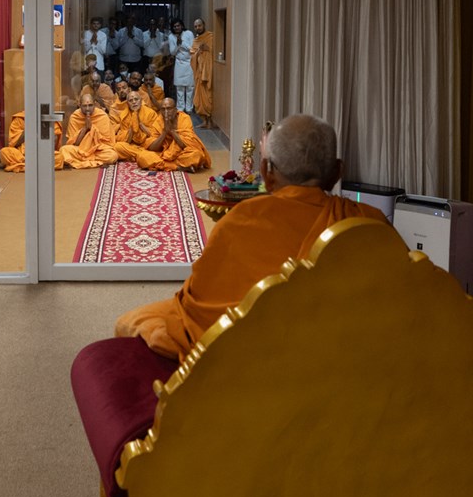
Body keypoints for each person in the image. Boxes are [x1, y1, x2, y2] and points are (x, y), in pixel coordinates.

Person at [115, 113, 389, 361]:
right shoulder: (370, 223)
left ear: (267, 173)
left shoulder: (241, 220)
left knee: (133, 321)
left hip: (251, 358)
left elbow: (196, 306)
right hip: (335, 353)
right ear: (337, 172)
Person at [135, 98, 211, 172]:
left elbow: (186, 145)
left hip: (181, 153)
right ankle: (178, 167)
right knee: (142, 157)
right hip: (163, 154)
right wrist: (164, 132)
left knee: (196, 155)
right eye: (163, 109)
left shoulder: (184, 118)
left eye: (169, 109)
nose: (166, 112)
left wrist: (172, 131)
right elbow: (152, 147)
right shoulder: (158, 121)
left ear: (175, 110)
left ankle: (166, 165)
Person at [60, 91, 118, 169]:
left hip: (97, 151)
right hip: (80, 150)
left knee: (112, 155)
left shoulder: (102, 116)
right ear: (79, 105)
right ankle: (94, 162)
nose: (87, 109)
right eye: (85, 106)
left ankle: (81, 161)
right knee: (63, 150)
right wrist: (85, 128)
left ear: (94, 104)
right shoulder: (75, 117)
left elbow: (106, 142)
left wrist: (92, 129)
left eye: (90, 105)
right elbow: (74, 144)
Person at [113, 90, 160, 162]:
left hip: (146, 143)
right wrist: (133, 125)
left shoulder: (150, 113)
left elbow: (154, 134)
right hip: (132, 145)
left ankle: (137, 156)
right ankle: (143, 155)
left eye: (136, 99)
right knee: (117, 147)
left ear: (141, 100)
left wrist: (140, 124)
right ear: (127, 103)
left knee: (155, 142)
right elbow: (127, 141)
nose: (134, 102)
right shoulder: (124, 115)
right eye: (130, 100)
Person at [191, 17, 214, 129]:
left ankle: (210, 121)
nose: (198, 28)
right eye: (195, 26)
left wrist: (208, 49)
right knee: (199, 98)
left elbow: (216, 51)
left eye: (199, 25)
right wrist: (198, 52)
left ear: (204, 25)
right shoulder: (195, 41)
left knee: (208, 97)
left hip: (209, 73)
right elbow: (192, 57)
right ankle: (204, 121)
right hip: (199, 74)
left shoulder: (211, 37)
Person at [168, 19, 195, 113]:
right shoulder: (171, 36)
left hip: (189, 62)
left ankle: (189, 108)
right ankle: (180, 108)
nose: (176, 28)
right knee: (179, 87)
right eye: (174, 26)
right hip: (179, 63)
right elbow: (172, 52)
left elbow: (192, 49)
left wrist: (182, 43)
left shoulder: (189, 33)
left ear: (182, 26)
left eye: (178, 26)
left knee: (190, 87)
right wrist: (178, 45)